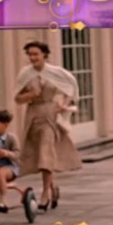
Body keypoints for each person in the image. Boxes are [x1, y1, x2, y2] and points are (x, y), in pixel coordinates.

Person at [14, 40, 82, 210]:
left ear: (44, 54)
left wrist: (64, 104)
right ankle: (53, 187)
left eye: (35, 54)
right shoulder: (25, 74)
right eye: (30, 54)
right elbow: (17, 99)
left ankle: (45, 194)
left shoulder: (55, 72)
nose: (32, 58)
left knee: (46, 153)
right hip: (33, 115)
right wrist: (31, 94)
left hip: (50, 115)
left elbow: (70, 88)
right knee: (40, 155)